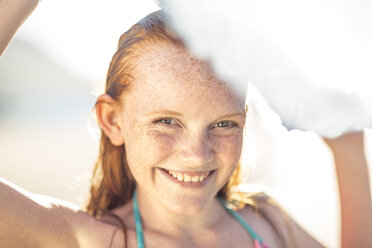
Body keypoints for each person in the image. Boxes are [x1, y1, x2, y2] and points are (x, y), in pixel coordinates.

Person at [1, 1, 371, 247]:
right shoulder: (96, 239)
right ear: (112, 120)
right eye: (165, 121)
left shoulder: (267, 220)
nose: (197, 155)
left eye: (224, 124)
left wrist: (348, 149)